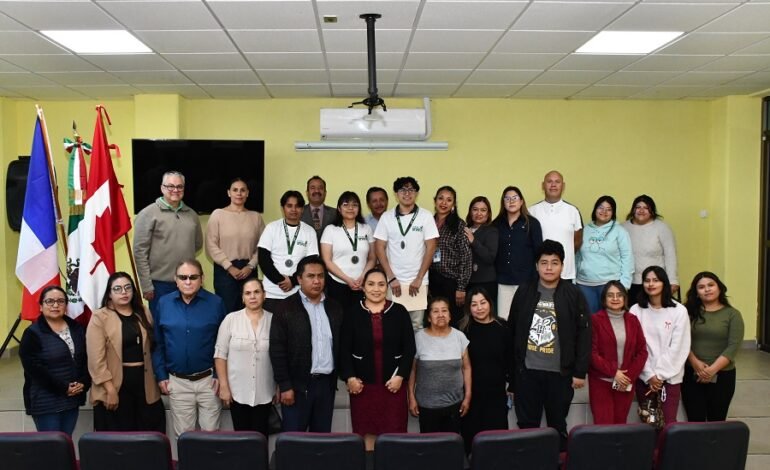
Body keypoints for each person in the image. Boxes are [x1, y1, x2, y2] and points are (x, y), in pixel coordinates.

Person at [508, 240, 590, 450]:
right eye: (544, 263)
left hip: (560, 375)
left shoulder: (573, 294)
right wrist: (512, 375)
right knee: (527, 427)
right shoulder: (525, 291)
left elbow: (584, 334)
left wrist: (580, 372)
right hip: (527, 373)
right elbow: (512, 331)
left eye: (554, 263)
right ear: (536, 265)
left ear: (562, 266)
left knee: (557, 427)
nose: (549, 268)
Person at [339, 268, 416, 450]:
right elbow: (343, 350)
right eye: (371, 284)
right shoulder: (352, 313)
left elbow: (410, 348)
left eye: (381, 284)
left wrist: (401, 377)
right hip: (362, 387)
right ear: (363, 288)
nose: (376, 289)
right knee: (367, 433)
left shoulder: (399, 311)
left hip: (393, 386)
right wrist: (350, 378)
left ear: (387, 288)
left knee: (394, 435)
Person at [152, 259, 226, 437]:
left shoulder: (216, 303)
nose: (188, 282)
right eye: (183, 277)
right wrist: (161, 376)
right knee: (184, 439)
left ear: (202, 278)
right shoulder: (163, 303)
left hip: (209, 382)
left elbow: (223, 343)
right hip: (177, 382)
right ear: (175, 279)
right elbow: (157, 343)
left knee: (211, 439)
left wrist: (219, 376)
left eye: (193, 277)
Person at [269, 255, 344, 432]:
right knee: (294, 444)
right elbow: (277, 350)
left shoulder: (335, 308)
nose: (317, 281)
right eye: (311, 276)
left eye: (321, 276)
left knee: (322, 443)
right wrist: (285, 385)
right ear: (299, 279)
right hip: (296, 387)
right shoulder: (285, 308)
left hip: (326, 386)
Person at [87, 272, 165, 432]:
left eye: (127, 288)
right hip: (114, 386)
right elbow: (96, 360)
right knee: (117, 443)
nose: (124, 292)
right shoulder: (99, 317)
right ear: (109, 293)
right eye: (117, 289)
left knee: (149, 438)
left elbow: (154, 347)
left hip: (144, 384)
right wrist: (110, 389)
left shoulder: (143, 312)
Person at [19, 286, 90, 435]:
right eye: (50, 301)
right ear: (41, 306)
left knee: (65, 443)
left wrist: (83, 382)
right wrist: (63, 387)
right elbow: (34, 369)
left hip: (72, 399)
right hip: (45, 401)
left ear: (66, 305)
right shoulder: (32, 333)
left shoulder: (76, 328)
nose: (55, 305)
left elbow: (84, 360)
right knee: (50, 449)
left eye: (60, 301)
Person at [134, 170, 203, 316]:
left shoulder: (192, 214)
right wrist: (146, 286)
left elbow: (197, 244)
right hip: (160, 285)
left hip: (188, 282)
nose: (175, 190)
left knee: (188, 324)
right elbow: (140, 252)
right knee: (161, 328)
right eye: (170, 186)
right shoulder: (147, 214)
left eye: (179, 187)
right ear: (162, 188)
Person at [374, 177, 439, 330]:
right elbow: (379, 248)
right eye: (403, 190)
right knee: (392, 324)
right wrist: (391, 277)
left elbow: (431, 247)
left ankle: (414, 355)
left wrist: (419, 278)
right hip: (394, 282)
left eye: (411, 189)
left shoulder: (426, 216)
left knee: (416, 325)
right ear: (396, 194)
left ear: (416, 193)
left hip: (417, 283)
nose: (407, 193)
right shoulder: (387, 217)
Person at [214, 278, 277, 435]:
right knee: (241, 442)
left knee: (261, 439)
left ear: (264, 295)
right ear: (242, 297)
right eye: (248, 293)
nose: (252, 296)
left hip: (266, 392)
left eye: (257, 292)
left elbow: (280, 356)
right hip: (237, 393)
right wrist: (224, 386)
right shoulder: (230, 319)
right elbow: (220, 355)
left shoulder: (274, 320)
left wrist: (279, 385)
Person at [630, 266, 690, 425]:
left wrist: (660, 375)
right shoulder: (636, 310)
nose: (651, 284)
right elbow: (635, 347)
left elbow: (679, 347)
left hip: (670, 378)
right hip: (645, 377)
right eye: (647, 280)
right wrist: (649, 375)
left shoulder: (679, 311)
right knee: (647, 424)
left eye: (656, 280)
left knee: (668, 424)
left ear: (664, 283)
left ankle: (667, 452)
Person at [682, 272, 744, 422]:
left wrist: (712, 370)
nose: (707, 289)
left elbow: (733, 346)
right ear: (696, 292)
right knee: (694, 420)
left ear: (719, 288)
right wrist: (695, 363)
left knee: (717, 421)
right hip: (692, 374)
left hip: (723, 375)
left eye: (711, 285)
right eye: (701, 287)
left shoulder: (732, 314)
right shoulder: (686, 312)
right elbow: (681, 340)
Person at [458, 287, 511, 454]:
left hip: (496, 392)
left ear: (490, 303)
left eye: (483, 303)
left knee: (497, 441)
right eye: (474, 304)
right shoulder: (463, 329)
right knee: (471, 440)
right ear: (468, 307)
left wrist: (513, 386)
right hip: (470, 394)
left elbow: (511, 359)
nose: (479, 308)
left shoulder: (503, 327)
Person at [408, 297, 472, 434]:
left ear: (450, 316)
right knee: (430, 449)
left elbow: (466, 368)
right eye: (435, 311)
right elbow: (412, 371)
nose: (440, 314)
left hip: (455, 405)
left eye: (444, 311)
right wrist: (411, 398)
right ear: (429, 317)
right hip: (426, 406)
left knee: (452, 447)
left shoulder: (459, 337)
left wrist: (467, 397)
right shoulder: (418, 338)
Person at [588, 281, 648, 425]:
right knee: (604, 426)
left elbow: (642, 351)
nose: (615, 298)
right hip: (601, 382)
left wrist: (628, 377)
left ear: (625, 298)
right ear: (604, 299)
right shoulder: (595, 320)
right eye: (610, 295)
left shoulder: (633, 320)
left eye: (619, 295)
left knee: (620, 426)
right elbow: (591, 352)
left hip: (625, 384)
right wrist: (614, 372)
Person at [205, 177, 265, 313]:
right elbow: (211, 244)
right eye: (235, 190)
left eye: (243, 190)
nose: (239, 193)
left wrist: (251, 266)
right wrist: (229, 266)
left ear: (247, 193)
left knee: (250, 311)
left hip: (248, 271)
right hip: (225, 271)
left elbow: (262, 246)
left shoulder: (255, 217)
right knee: (227, 312)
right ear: (229, 193)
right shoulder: (218, 215)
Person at [258, 190, 319, 313]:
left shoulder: (309, 231)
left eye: (297, 206)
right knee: (272, 331)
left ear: (302, 209)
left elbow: (311, 263)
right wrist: (280, 280)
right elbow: (263, 259)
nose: (293, 209)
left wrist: (293, 281)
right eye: (289, 206)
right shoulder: (271, 228)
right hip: (272, 293)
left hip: (299, 293)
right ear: (283, 208)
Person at [320, 191, 377, 316]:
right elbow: (327, 261)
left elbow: (372, 258)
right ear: (339, 209)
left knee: (360, 320)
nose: (350, 208)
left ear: (359, 208)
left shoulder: (366, 228)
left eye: (354, 205)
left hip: (361, 283)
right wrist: (347, 279)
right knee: (339, 320)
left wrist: (362, 277)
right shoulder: (330, 230)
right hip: (337, 283)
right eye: (346, 204)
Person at [576, 196, 634, 314]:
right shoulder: (584, 230)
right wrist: (573, 279)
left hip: (610, 285)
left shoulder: (620, 231)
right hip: (585, 284)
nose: (604, 212)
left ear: (613, 213)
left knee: (608, 322)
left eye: (609, 209)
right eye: (601, 208)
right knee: (589, 322)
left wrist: (624, 285)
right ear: (595, 210)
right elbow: (576, 255)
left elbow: (627, 257)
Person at [493, 186, 542, 320]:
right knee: (504, 320)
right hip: (503, 281)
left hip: (526, 281)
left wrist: (537, 279)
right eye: (507, 199)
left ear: (521, 201)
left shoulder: (532, 224)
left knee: (525, 319)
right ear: (503, 203)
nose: (511, 201)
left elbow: (539, 253)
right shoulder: (496, 225)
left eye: (515, 198)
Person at [429, 186, 473, 326]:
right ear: (435, 201)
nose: (444, 203)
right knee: (434, 319)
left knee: (451, 321)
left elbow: (466, 257)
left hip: (451, 282)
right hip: (430, 279)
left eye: (449, 200)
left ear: (453, 204)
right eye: (441, 198)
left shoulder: (459, 225)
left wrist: (461, 287)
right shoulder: (427, 222)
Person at [623, 195, 679, 303]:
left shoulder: (662, 228)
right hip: (630, 282)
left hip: (655, 282)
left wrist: (673, 280)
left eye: (646, 208)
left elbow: (670, 255)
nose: (641, 210)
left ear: (652, 211)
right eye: (638, 207)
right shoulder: (623, 228)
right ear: (633, 210)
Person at [529, 170, 583, 281]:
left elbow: (577, 241)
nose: (553, 185)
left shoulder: (573, 211)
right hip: (539, 275)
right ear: (543, 185)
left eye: (557, 182)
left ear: (563, 186)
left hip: (565, 274)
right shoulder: (531, 211)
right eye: (549, 181)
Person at [463, 196, 498, 302]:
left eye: (483, 210)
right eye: (475, 209)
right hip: (466, 282)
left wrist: (473, 241)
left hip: (485, 282)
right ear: (470, 212)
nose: (479, 213)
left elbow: (490, 257)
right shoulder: (464, 229)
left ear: (488, 213)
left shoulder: (491, 231)